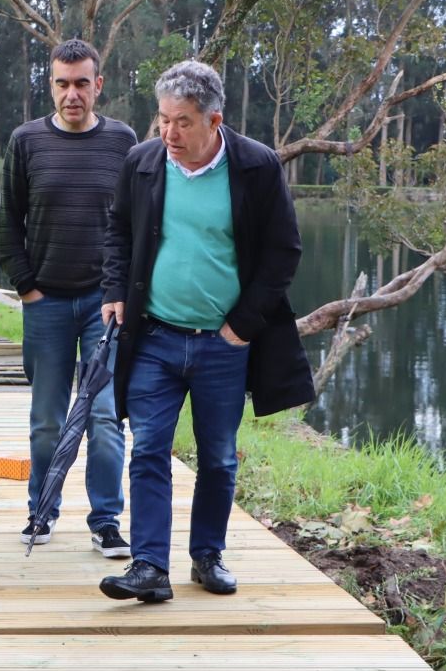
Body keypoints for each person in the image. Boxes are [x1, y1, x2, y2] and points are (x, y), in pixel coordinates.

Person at [99, 59, 315, 603]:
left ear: (214, 119)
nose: (169, 133)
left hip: (223, 344)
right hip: (153, 338)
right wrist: (115, 291)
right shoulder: (142, 163)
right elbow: (118, 233)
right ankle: (149, 567)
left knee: (217, 456)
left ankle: (206, 555)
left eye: (183, 122)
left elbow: (282, 251)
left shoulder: (256, 167)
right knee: (148, 449)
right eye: (163, 119)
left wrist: (243, 326)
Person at [0, 38, 137, 557]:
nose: (72, 93)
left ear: (98, 85)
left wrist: (123, 291)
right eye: (62, 83)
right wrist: (27, 288)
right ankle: (42, 510)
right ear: (50, 84)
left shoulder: (123, 141)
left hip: (106, 307)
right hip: (47, 305)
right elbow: (10, 223)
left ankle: (106, 521)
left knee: (104, 418)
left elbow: (135, 224)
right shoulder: (26, 140)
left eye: (82, 83)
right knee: (48, 421)